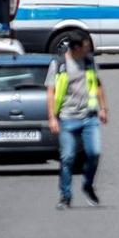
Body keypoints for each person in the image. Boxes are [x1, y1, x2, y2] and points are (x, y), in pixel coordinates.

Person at [46, 31, 109, 209]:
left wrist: (103, 108)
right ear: (76, 48)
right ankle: (65, 196)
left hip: (89, 117)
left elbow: (97, 84)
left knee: (94, 152)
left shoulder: (89, 61)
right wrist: (52, 117)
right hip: (67, 117)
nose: (89, 48)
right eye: (86, 45)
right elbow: (50, 92)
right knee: (67, 157)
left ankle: (88, 185)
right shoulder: (59, 64)